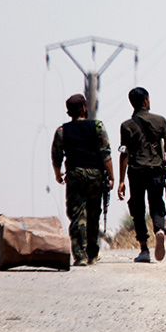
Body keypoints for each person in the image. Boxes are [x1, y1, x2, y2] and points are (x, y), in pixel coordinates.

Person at [51, 94, 115, 266]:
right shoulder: (97, 127)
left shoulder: (62, 131)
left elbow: (56, 156)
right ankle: (92, 253)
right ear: (84, 109)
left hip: (75, 175)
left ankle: (80, 255)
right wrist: (111, 176)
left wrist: (58, 174)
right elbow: (106, 154)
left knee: (77, 215)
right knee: (93, 214)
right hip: (95, 175)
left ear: (69, 112)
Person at [117, 87, 166, 263]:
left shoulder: (126, 126)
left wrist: (121, 180)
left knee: (138, 209)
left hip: (136, 171)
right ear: (146, 101)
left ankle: (144, 249)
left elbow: (124, 154)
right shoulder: (160, 121)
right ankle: (160, 230)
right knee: (156, 204)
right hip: (157, 170)